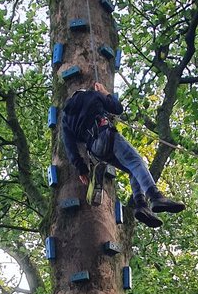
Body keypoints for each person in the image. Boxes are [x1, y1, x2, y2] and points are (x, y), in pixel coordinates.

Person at [61, 81, 185, 227]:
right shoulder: (92, 95)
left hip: (95, 150)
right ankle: (155, 196)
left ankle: (141, 205)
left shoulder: (65, 119)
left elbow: (70, 147)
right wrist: (104, 92)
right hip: (105, 134)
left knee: (132, 169)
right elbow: (117, 108)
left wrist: (82, 169)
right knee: (136, 162)